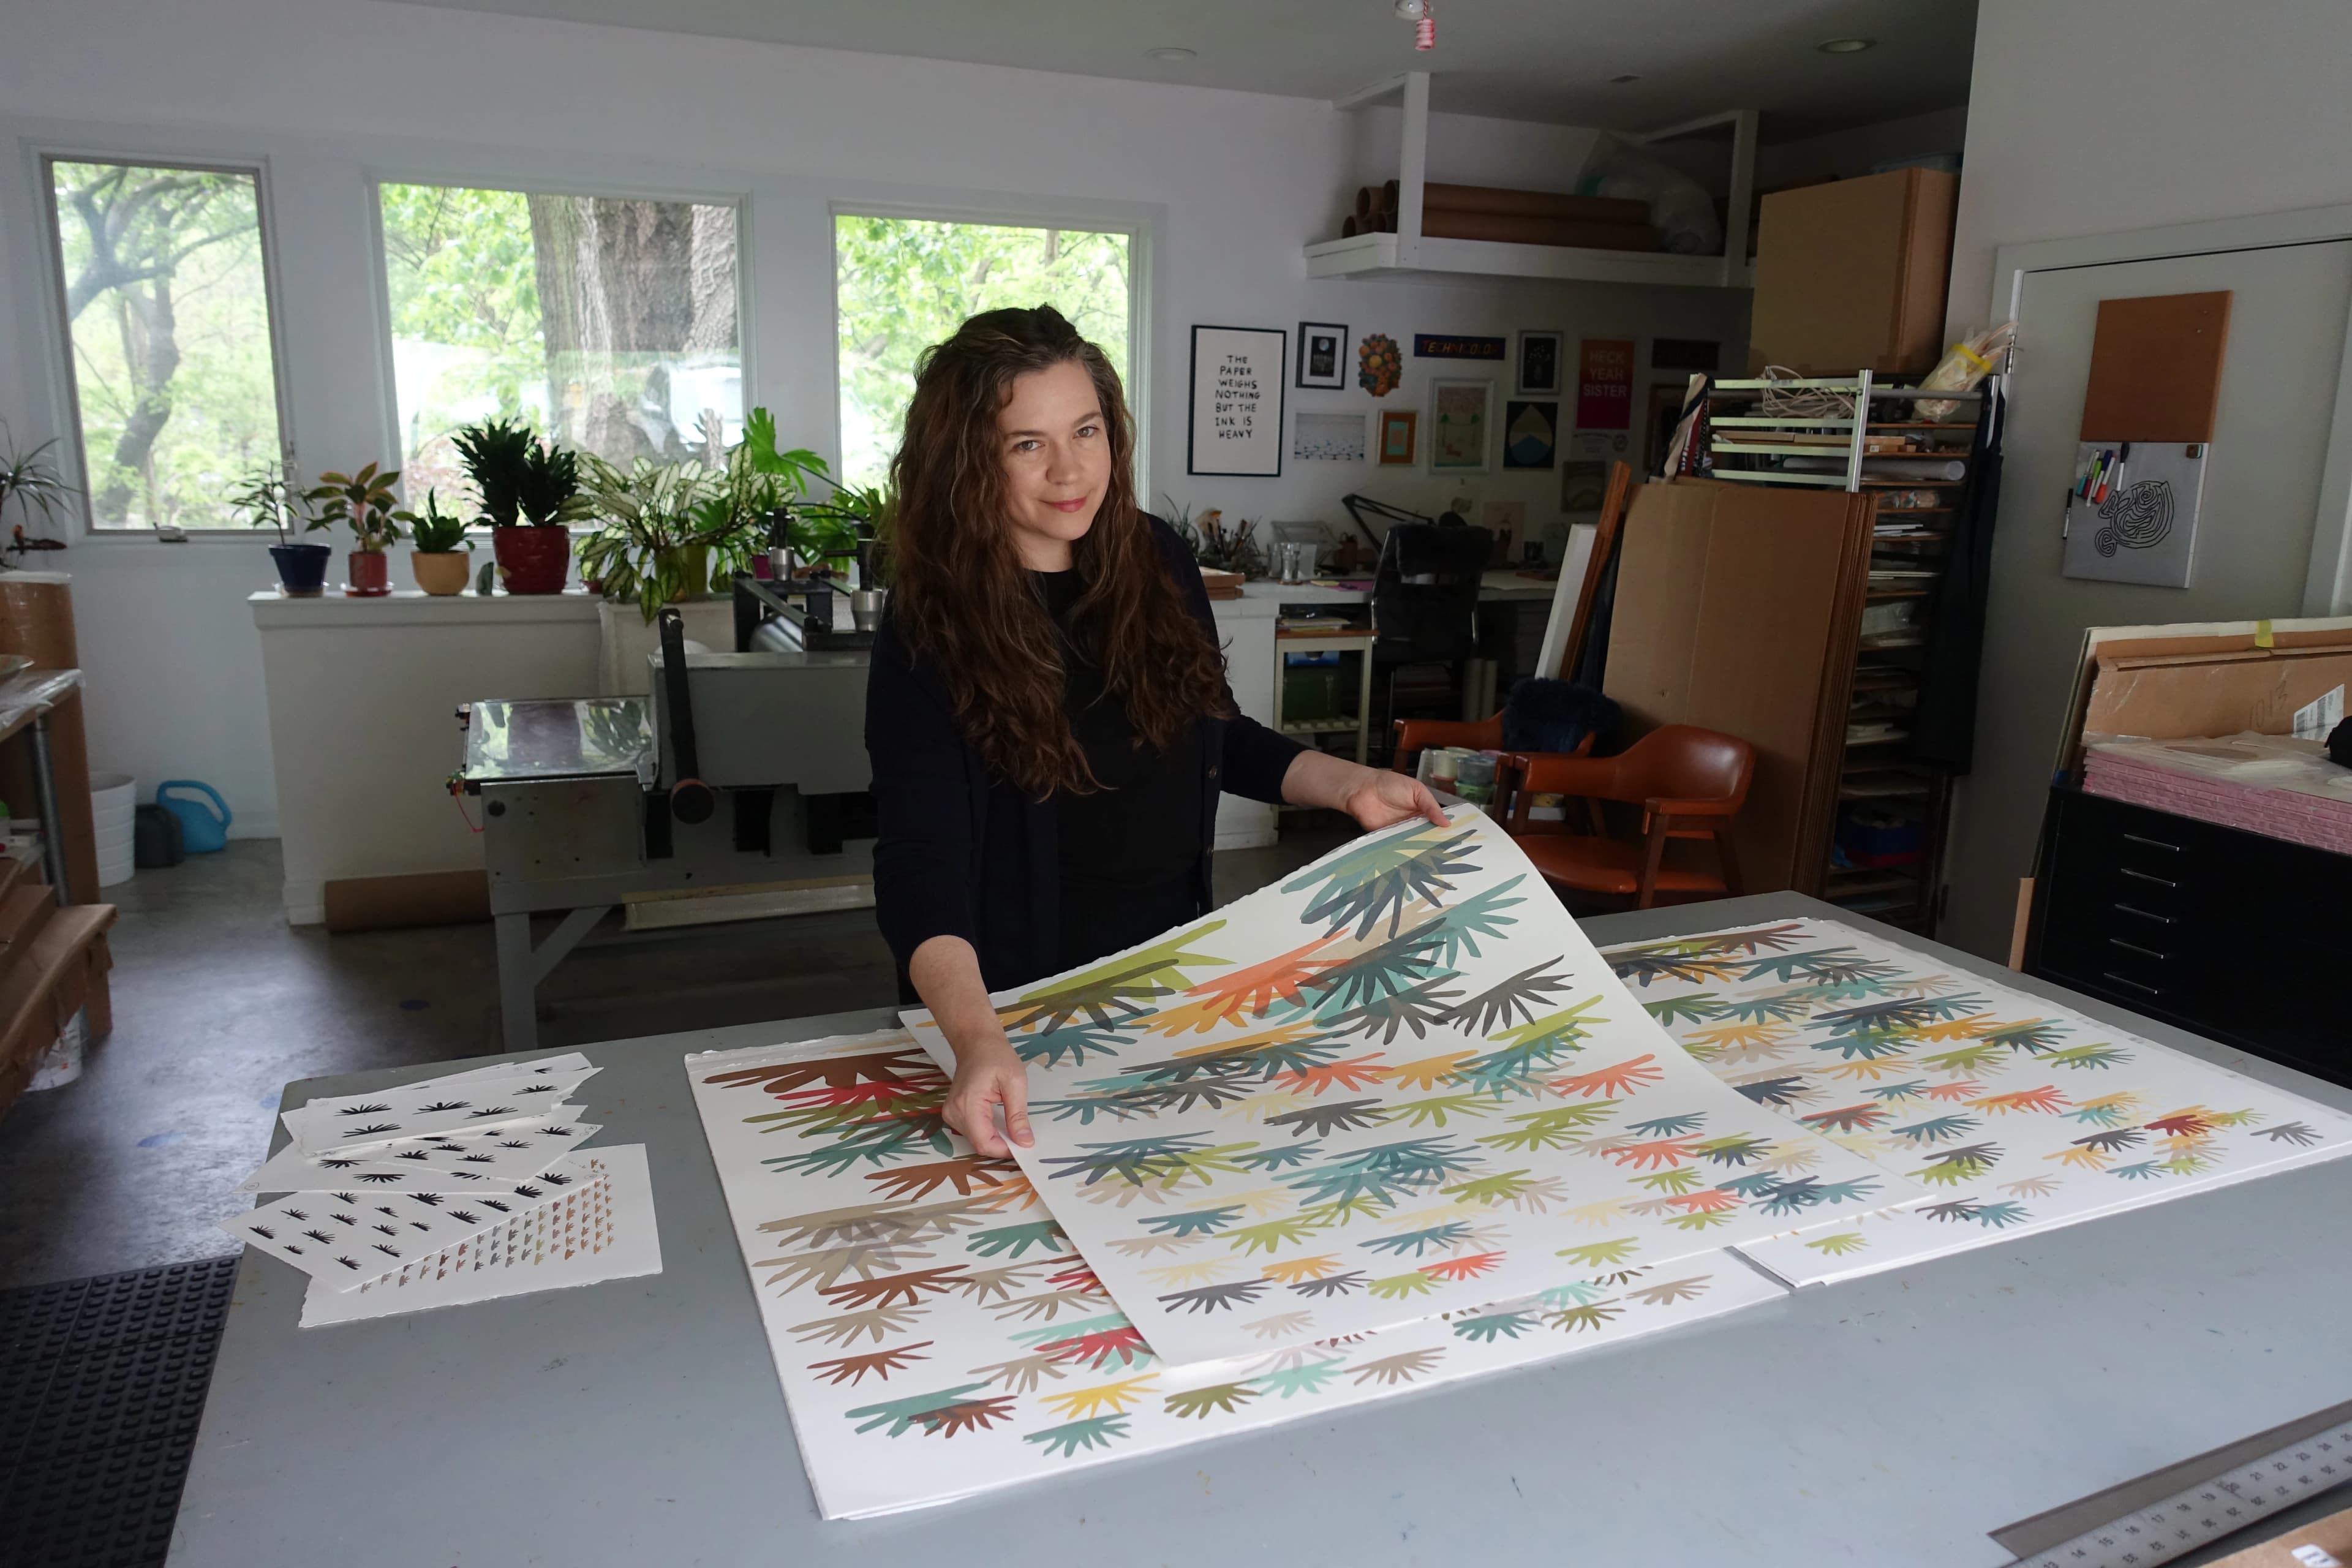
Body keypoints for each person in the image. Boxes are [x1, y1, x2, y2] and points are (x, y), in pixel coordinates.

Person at [865, 306, 1446, 1160]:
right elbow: (922, 863)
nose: (1071, 470)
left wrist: (1347, 783)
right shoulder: (932, 622)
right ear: (967, 461)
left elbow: (1212, 730)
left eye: (1087, 430)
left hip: (1172, 981)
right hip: (1016, 1007)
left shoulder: (1157, 559)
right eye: (1027, 443)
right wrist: (976, 1036)